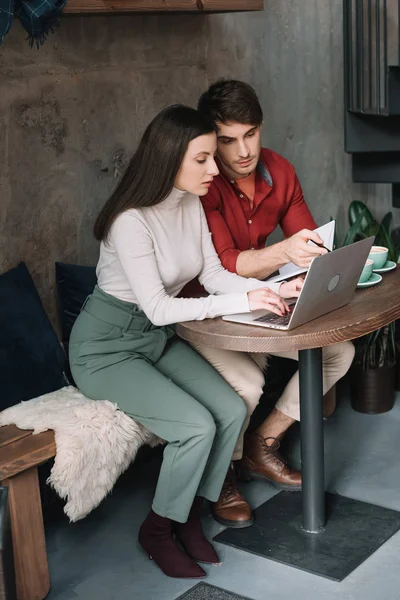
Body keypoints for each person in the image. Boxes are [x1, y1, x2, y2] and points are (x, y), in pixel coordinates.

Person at [68, 104, 303, 579]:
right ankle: (156, 530)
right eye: (202, 159)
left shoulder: (190, 202)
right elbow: (157, 306)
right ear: (169, 158)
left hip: (152, 340)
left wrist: (272, 290)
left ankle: (189, 515)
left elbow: (214, 275)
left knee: (233, 409)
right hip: (106, 348)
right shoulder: (131, 221)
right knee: (195, 425)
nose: (214, 169)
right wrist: (234, 303)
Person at [181, 79, 355, 528]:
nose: (243, 151)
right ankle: (221, 479)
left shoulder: (281, 170)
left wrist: (313, 267)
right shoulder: (204, 184)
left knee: (339, 351)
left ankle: (263, 443)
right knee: (248, 387)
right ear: (210, 140)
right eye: (227, 139)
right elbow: (221, 268)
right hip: (208, 313)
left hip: (259, 301)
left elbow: (309, 243)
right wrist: (283, 254)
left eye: (251, 134)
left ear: (261, 128)